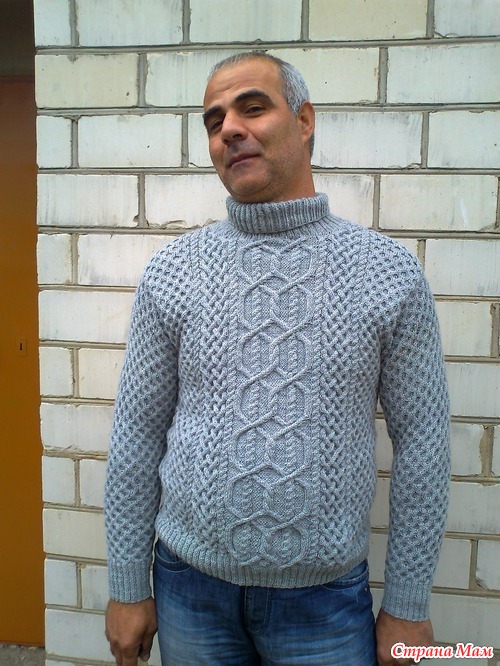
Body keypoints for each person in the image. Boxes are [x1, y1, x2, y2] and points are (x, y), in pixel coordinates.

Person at [104, 52, 450, 666]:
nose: (229, 129)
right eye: (214, 120)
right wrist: (128, 586)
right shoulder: (173, 272)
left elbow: (423, 442)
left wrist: (408, 603)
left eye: (252, 107)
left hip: (324, 605)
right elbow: (136, 433)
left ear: (304, 120)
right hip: (188, 590)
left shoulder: (387, 273)